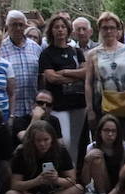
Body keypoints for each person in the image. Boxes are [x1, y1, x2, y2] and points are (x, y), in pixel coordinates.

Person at [4, 120, 84, 194]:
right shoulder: (22, 153)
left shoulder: (60, 150)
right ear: (32, 141)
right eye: (38, 140)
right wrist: (37, 181)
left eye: (46, 140)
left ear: (52, 139)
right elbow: (15, 184)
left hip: (56, 193)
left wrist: (56, 179)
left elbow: (72, 181)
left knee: (78, 188)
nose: (42, 144)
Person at [37, 16, 88, 158]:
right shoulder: (46, 54)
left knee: (78, 142)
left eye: (63, 27)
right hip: (58, 104)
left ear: (68, 30)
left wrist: (65, 72)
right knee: (64, 140)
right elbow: (51, 78)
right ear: (51, 31)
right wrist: (75, 76)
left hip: (78, 102)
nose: (60, 30)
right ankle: (64, 170)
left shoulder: (76, 52)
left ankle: (74, 174)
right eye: (56, 27)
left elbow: (85, 72)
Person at [86, 12, 125, 143]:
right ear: (99, 30)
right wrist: (89, 109)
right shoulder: (92, 53)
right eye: (105, 28)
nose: (108, 31)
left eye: (112, 27)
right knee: (105, 142)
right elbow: (88, 83)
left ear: (118, 29)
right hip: (102, 104)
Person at [0, 10, 42, 124]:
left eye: (21, 24)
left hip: (32, 109)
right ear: (7, 26)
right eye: (14, 24)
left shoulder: (36, 48)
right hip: (10, 110)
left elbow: (41, 78)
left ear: (25, 25)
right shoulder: (0, 49)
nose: (18, 28)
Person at [81, 113, 125, 194]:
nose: (110, 134)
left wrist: (116, 191)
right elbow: (86, 180)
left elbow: (124, 174)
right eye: (106, 130)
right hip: (101, 186)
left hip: (118, 185)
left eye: (113, 131)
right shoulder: (92, 147)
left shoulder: (124, 147)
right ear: (100, 132)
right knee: (96, 156)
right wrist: (87, 161)